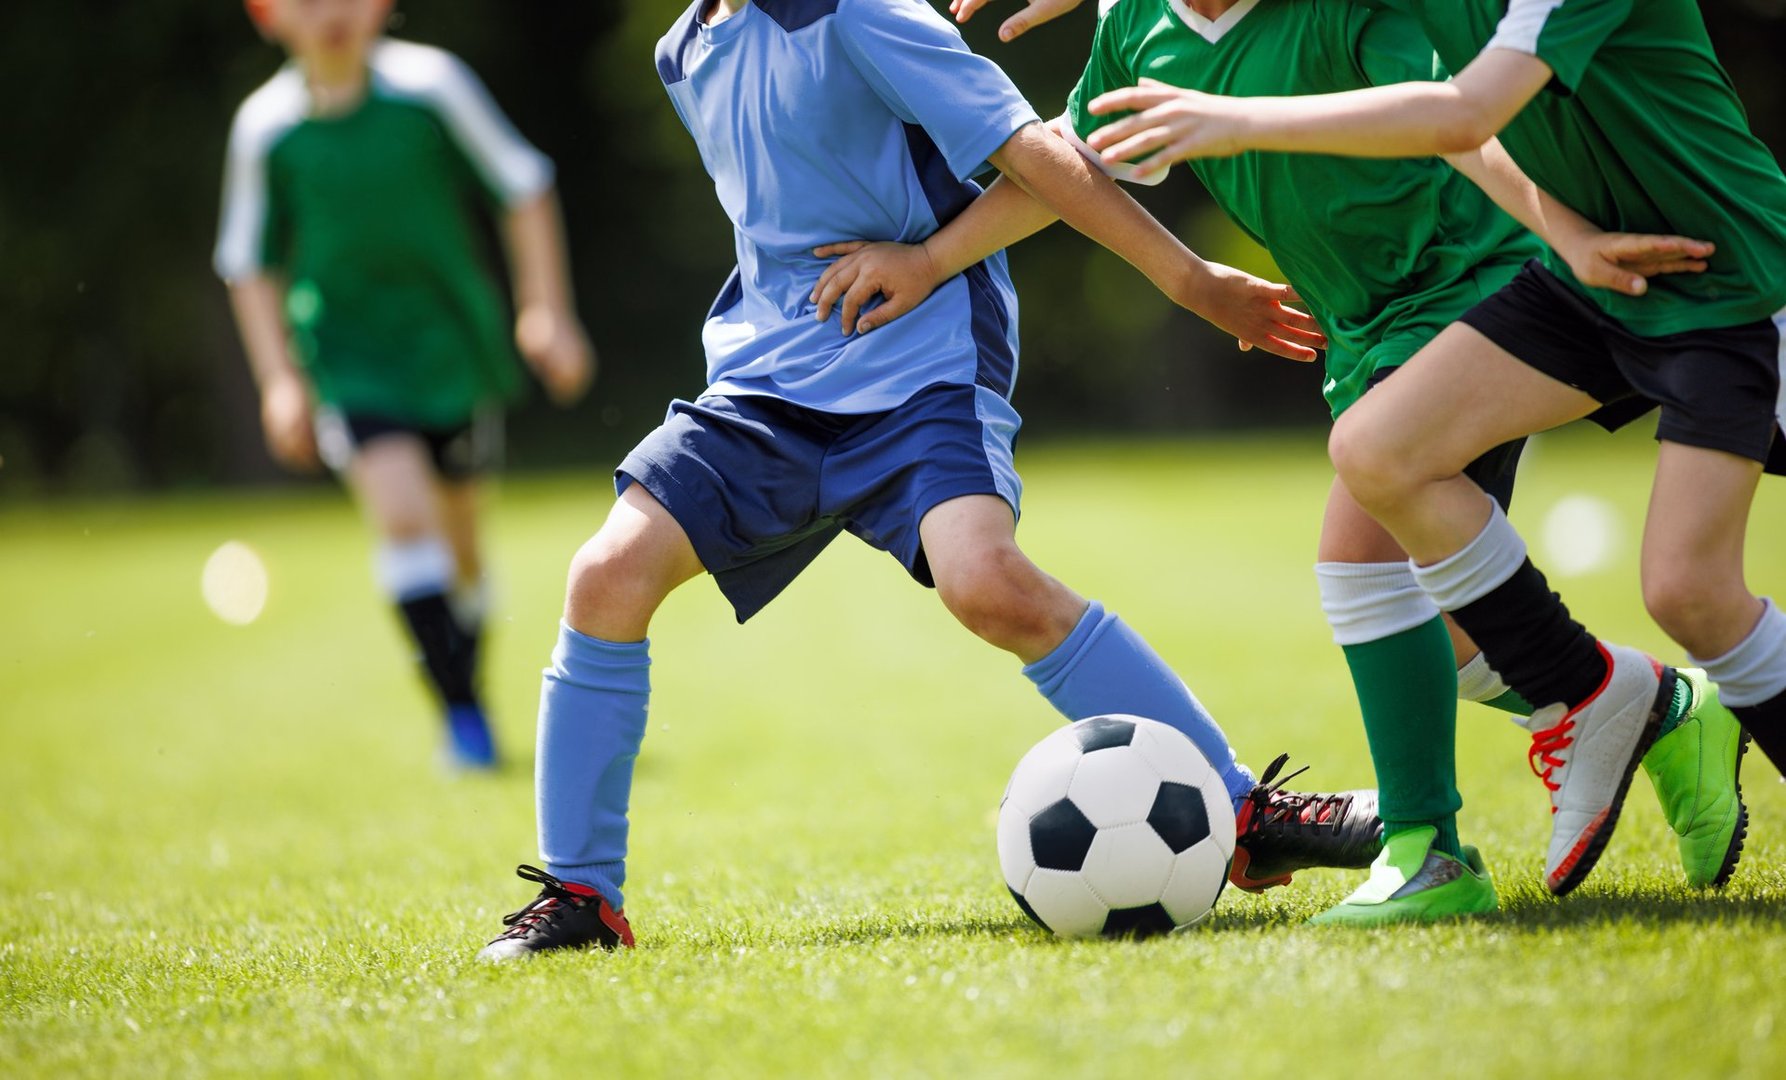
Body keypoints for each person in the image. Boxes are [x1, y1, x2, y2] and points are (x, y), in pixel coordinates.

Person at [476, 0, 1382, 960]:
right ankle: (580, 897)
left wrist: (1191, 280)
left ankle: (1240, 812)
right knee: (605, 576)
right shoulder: (684, 50)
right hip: (763, 389)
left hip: (923, 368)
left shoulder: (862, 11)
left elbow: (1035, 152)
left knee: (987, 584)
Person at [817, 0, 1746, 922]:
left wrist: (1561, 229)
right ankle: (1644, 703)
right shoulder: (1138, 23)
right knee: (1453, 642)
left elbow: (1464, 123)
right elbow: (1076, 161)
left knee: (1360, 559)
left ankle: (1428, 851)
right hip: (1362, 326)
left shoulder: (1342, 12)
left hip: (1470, 284)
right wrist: (936, 257)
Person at [1083, 0, 1785, 895]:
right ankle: (1616, 698)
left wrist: (1233, 119)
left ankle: (1446, 834)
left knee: (1674, 589)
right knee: (1400, 511)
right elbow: (1462, 121)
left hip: (1666, 281)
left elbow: (1460, 112)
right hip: (1555, 288)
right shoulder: (1152, 21)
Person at [215, 0, 594, 768]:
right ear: (267, 15)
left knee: (460, 540)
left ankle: (466, 683)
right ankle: (462, 718)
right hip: (347, 359)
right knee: (401, 515)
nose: (331, 14)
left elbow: (523, 188)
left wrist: (545, 310)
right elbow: (248, 263)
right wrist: (279, 379)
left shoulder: (433, 88)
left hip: (450, 347)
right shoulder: (265, 128)